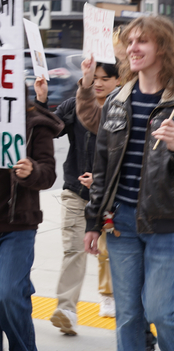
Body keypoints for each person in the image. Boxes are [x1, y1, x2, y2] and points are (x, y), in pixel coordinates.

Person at [83, 16, 174, 351]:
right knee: (128, 316)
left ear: (163, 47)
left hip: (166, 224)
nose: (133, 48)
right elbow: (102, 168)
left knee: (162, 312)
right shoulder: (117, 101)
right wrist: (93, 222)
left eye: (143, 41)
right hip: (121, 223)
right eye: (131, 41)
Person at [0, 77, 63, 351]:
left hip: (19, 226)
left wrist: (32, 171)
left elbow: (49, 173)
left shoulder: (36, 124)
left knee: (8, 297)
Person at [36, 59, 120, 334]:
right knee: (73, 250)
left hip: (113, 196)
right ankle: (67, 310)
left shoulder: (122, 108)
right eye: (93, 77)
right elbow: (50, 128)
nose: (97, 82)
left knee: (113, 253)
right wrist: (41, 101)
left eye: (104, 78)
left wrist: (103, 179)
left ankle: (113, 299)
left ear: (118, 80)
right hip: (75, 190)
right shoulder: (75, 104)